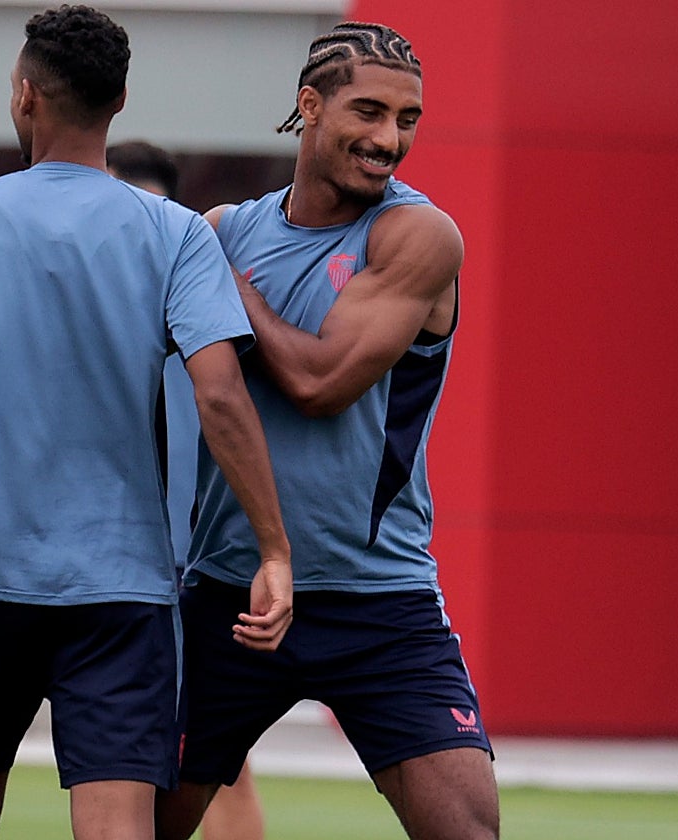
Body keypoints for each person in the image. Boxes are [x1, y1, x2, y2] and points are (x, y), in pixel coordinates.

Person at [0, 6, 292, 840]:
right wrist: (272, 549)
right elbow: (221, 397)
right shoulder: (178, 234)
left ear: (24, 94)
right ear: (117, 104)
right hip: (123, 586)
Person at [156, 21, 500, 840]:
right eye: (370, 113)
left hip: (379, 599)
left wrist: (226, 289)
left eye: (407, 121)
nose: (389, 140)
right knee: (135, 829)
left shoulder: (418, 236)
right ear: (310, 106)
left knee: (469, 831)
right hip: (228, 596)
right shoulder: (227, 232)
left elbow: (319, 383)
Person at [106, 139, 268, 840]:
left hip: (175, 572)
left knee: (203, 771)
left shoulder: (196, 316)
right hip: (122, 570)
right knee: (196, 769)